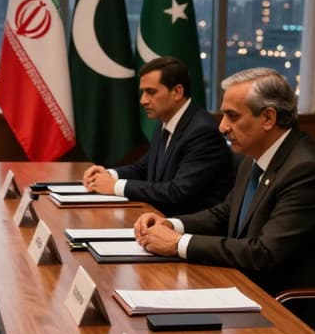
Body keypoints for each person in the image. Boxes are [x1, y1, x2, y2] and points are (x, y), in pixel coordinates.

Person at [134, 68, 315, 295]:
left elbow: (264, 253)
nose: (222, 127)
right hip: (246, 284)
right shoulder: (254, 157)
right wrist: (170, 224)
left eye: (233, 116)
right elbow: (225, 214)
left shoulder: (306, 171)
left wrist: (178, 244)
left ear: (268, 118)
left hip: (286, 304)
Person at [82, 56, 232, 215]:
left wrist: (115, 186)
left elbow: (177, 192)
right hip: (160, 218)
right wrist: (108, 174)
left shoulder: (202, 131)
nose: (143, 101)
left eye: (151, 92)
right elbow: (143, 168)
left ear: (177, 92)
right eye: (143, 92)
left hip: (188, 228)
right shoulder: (166, 120)